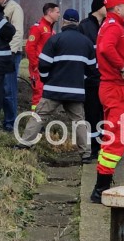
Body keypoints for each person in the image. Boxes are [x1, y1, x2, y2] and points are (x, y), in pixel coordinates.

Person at [15, 9, 96, 154]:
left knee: (39, 116)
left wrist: (47, 80)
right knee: (79, 121)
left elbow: (44, 64)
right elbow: (92, 70)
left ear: (64, 21)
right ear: (77, 22)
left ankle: (24, 144)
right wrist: (79, 81)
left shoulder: (55, 39)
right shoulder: (87, 43)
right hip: (75, 91)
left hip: (54, 89)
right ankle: (85, 153)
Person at [90, 0, 124, 204]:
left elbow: (116, 49)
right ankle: (100, 188)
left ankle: (102, 184)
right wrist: (123, 69)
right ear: (117, 8)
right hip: (115, 89)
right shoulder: (113, 26)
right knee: (116, 137)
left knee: (112, 136)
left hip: (113, 88)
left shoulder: (110, 25)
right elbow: (106, 48)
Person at [77, 0, 107, 163]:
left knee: (104, 115)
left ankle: (104, 146)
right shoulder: (85, 27)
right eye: (105, 6)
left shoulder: (106, 26)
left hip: (105, 78)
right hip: (91, 80)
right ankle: (94, 148)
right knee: (92, 114)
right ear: (98, 7)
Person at [25, 3, 60, 110]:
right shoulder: (38, 28)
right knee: (38, 95)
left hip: (46, 68)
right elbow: (29, 47)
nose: (59, 15)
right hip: (39, 68)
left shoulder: (51, 30)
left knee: (44, 95)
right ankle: (35, 122)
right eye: (57, 12)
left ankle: (40, 120)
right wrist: (35, 65)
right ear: (49, 12)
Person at [3, 0, 25, 131]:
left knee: (8, 88)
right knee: (2, 87)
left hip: (11, 53)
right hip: (1, 53)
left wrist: (10, 52)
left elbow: (18, 32)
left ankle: (10, 121)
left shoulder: (13, 8)